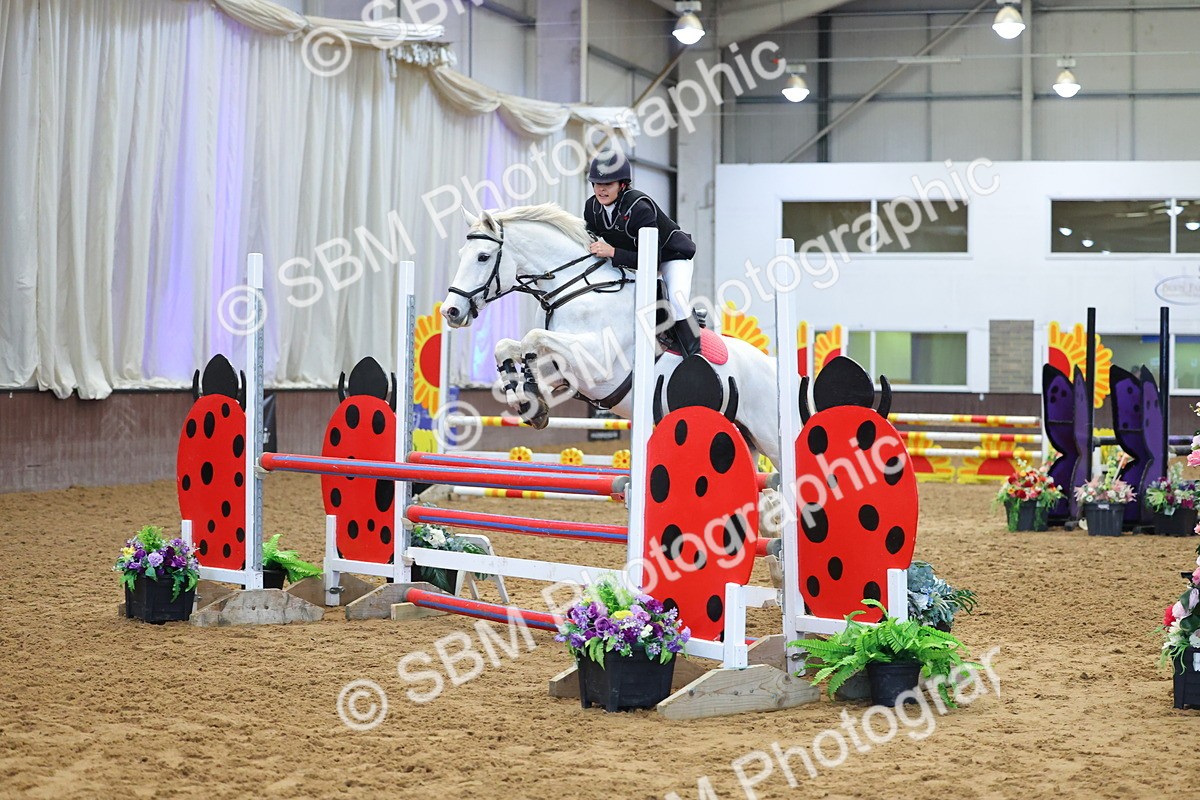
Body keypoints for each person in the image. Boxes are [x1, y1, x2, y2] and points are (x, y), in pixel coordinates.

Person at [583, 151, 701, 357]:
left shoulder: (639, 208)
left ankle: (695, 356)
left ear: (622, 185)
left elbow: (651, 262)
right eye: (596, 184)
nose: (600, 189)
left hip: (671, 257)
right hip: (633, 258)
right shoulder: (592, 207)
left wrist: (612, 251)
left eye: (608, 184)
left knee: (676, 300)